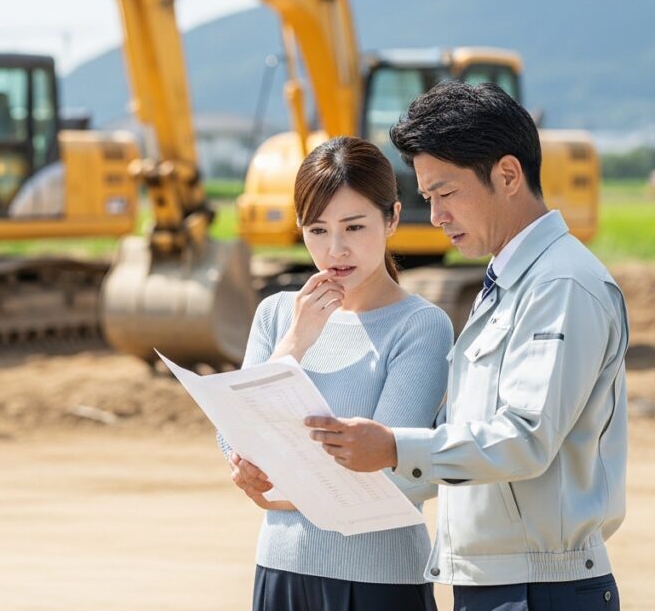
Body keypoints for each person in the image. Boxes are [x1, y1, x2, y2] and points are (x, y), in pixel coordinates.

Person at [306, 81, 629, 610]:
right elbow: (462, 440)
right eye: (427, 198)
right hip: (496, 583)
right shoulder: (509, 284)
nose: (435, 217)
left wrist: (391, 448)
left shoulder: (560, 286)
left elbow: (524, 438)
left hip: (540, 590)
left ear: (506, 174)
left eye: (445, 193)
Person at [224, 136, 453, 610]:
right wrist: (295, 342)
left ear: (391, 217)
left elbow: (383, 478)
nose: (335, 250)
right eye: (317, 230)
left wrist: (276, 490)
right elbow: (232, 441)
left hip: (379, 579)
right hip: (280, 567)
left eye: (353, 227)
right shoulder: (276, 315)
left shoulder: (421, 326)